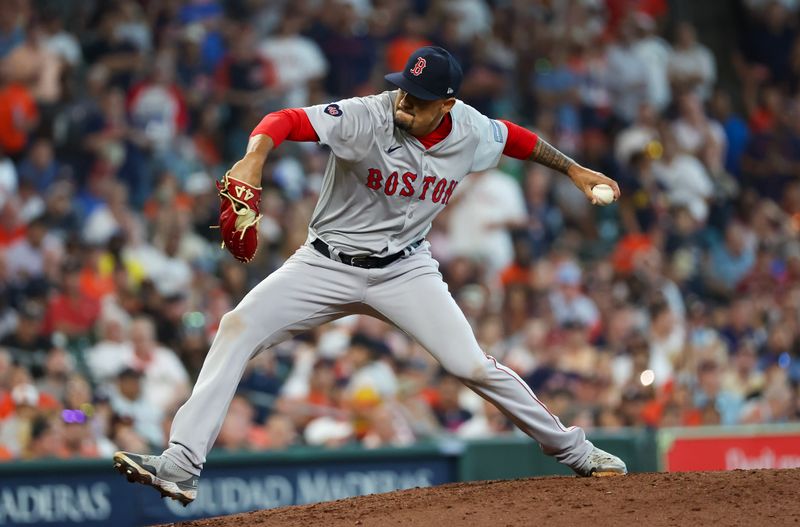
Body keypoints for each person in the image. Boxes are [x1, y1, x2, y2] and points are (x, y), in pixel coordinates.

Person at [113, 46, 627, 505]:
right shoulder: (366, 116)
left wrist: (574, 169)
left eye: (420, 98)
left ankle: (576, 451)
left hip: (406, 269)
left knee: (470, 365)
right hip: (324, 263)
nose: (405, 102)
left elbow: (518, 139)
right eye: (404, 89)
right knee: (236, 327)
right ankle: (180, 465)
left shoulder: (469, 129)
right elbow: (284, 119)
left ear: (446, 106)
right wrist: (253, 160)